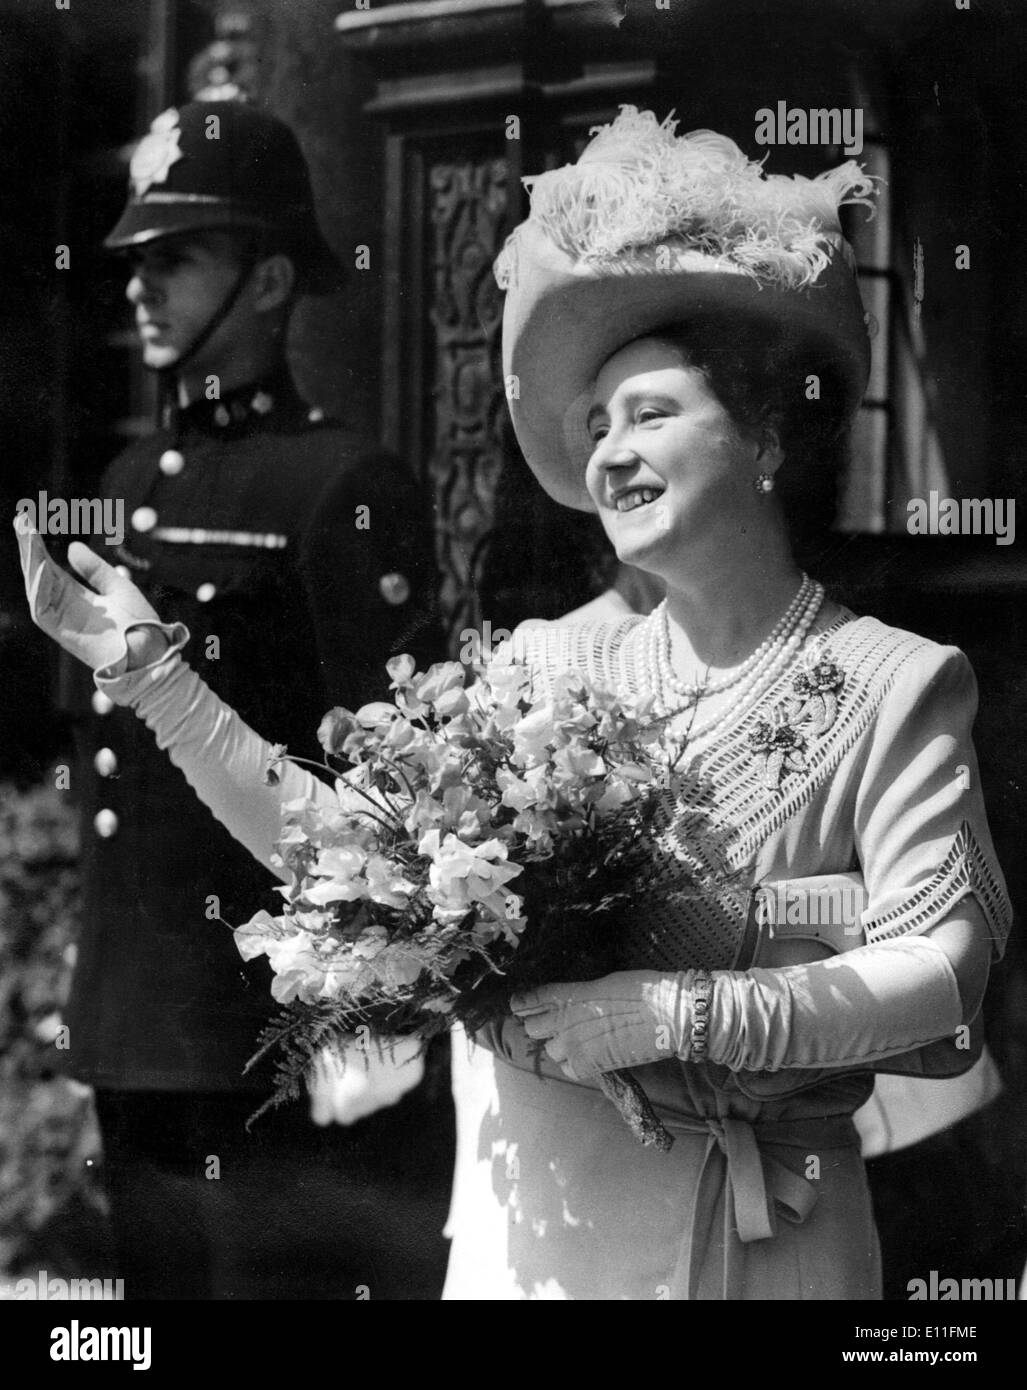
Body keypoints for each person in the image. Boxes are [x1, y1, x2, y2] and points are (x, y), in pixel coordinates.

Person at [17, 107, 1012, 1300]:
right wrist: (155, 677)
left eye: (649, 413)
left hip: (757, 1250)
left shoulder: (895, 680)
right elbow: (339, 852)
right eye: (594, 426)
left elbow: (944, 967)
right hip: (524, 1245)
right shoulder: (540, 671)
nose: (609, 453)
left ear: (758, 436)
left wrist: (672, 1012)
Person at [42, 99, 452, 1300]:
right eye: (133, 262)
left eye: (177, 257)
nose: (140, 287)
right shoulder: (124, 480)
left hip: (271, 1049)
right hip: (138, 1026)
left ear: (270, 280)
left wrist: (381, 1018)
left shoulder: (343, 484)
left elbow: (395, 782)